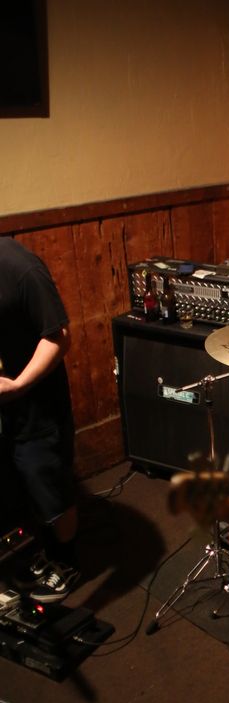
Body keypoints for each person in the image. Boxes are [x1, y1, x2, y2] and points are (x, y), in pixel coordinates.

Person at [0, 238, 79, 602]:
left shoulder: (23, 270)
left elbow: (59, 337)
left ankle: (67, 562)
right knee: (19, 486)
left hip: (37, 404)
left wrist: (19, 384)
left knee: (50, 484)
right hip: (7, 408)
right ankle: (42, 552)